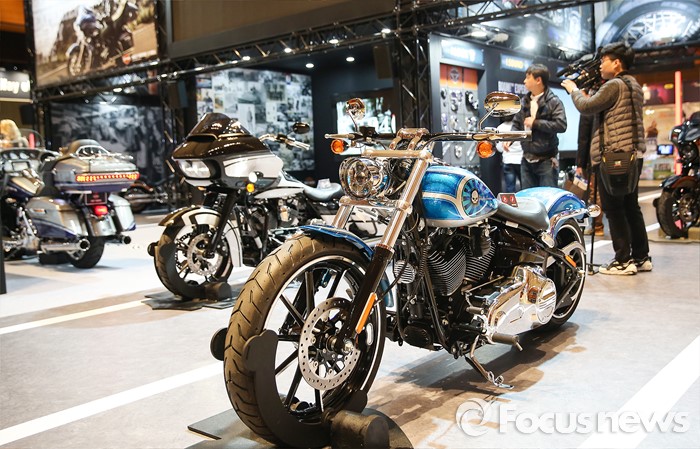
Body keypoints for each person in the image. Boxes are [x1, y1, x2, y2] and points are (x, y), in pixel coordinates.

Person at [562, 42, 651, 275]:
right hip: (632, 154)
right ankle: (641, 256)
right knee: (631, 206)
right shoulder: (633, 85)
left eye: (603, 61)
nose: (600, 65)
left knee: (613, 208)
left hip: (614, 155)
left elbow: (586, 106)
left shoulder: (614, 85)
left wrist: (573, 89)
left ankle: (622, 261)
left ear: (617, 63)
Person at [505, 64, 567, 188]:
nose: (524, 81)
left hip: (547, 160)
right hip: (526, 159)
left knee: (547, 197)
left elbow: (561, 125)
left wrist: (536, 123)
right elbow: (517, 124)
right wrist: (510, 138)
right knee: (528, 198)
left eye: (528, 77)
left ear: (538, 80)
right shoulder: (523, 102)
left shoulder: (554, 101)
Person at [576, 110, 605, 236]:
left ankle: (597, 226)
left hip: (593, 158)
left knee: (594, 193)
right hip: (608, 157)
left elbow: (583, 139)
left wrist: (580, 163)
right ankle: (598, 226)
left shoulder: (588, 110)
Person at [496, 117, 522, 192]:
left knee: (510, 188)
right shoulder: (521, 126)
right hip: (521, 160)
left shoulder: (500, 128)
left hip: (508, 160)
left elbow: (499, 149)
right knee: (525, 188)